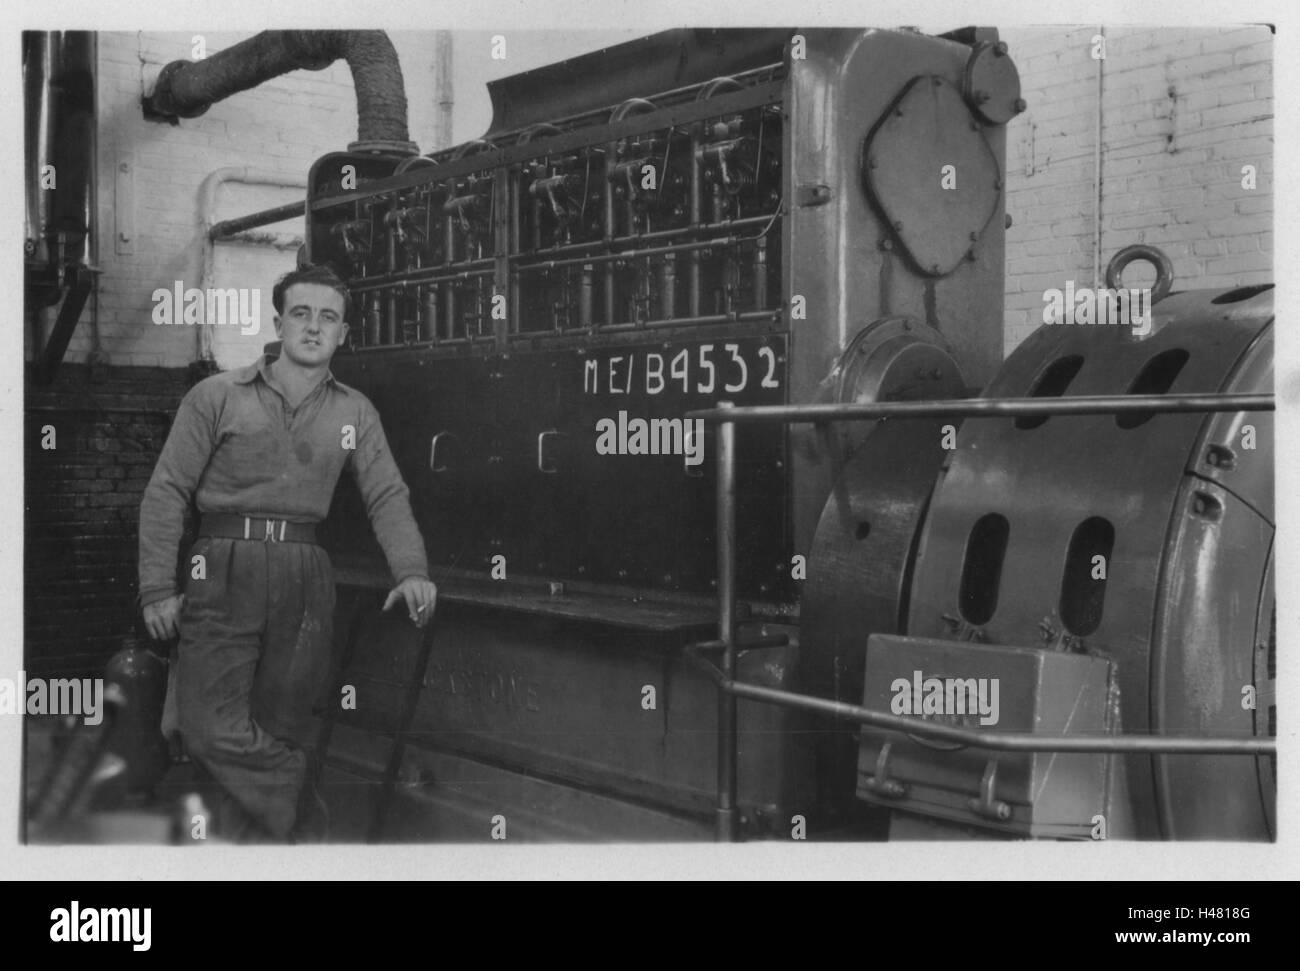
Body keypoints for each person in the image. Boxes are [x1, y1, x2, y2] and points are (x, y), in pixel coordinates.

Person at [138, 263, 437, 842]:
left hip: (304, 573)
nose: (313, 326)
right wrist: (155, 587)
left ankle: (260, 857)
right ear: (279, 322)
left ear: (343, 334)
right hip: (222, 566)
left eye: (328, 317)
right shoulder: (216, 395)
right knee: (204, 728)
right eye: (301, 313)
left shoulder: (355, 413)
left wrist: (412, 570)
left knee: (280, 724)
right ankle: (301, 802)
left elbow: (386, 494)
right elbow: (167, 490)